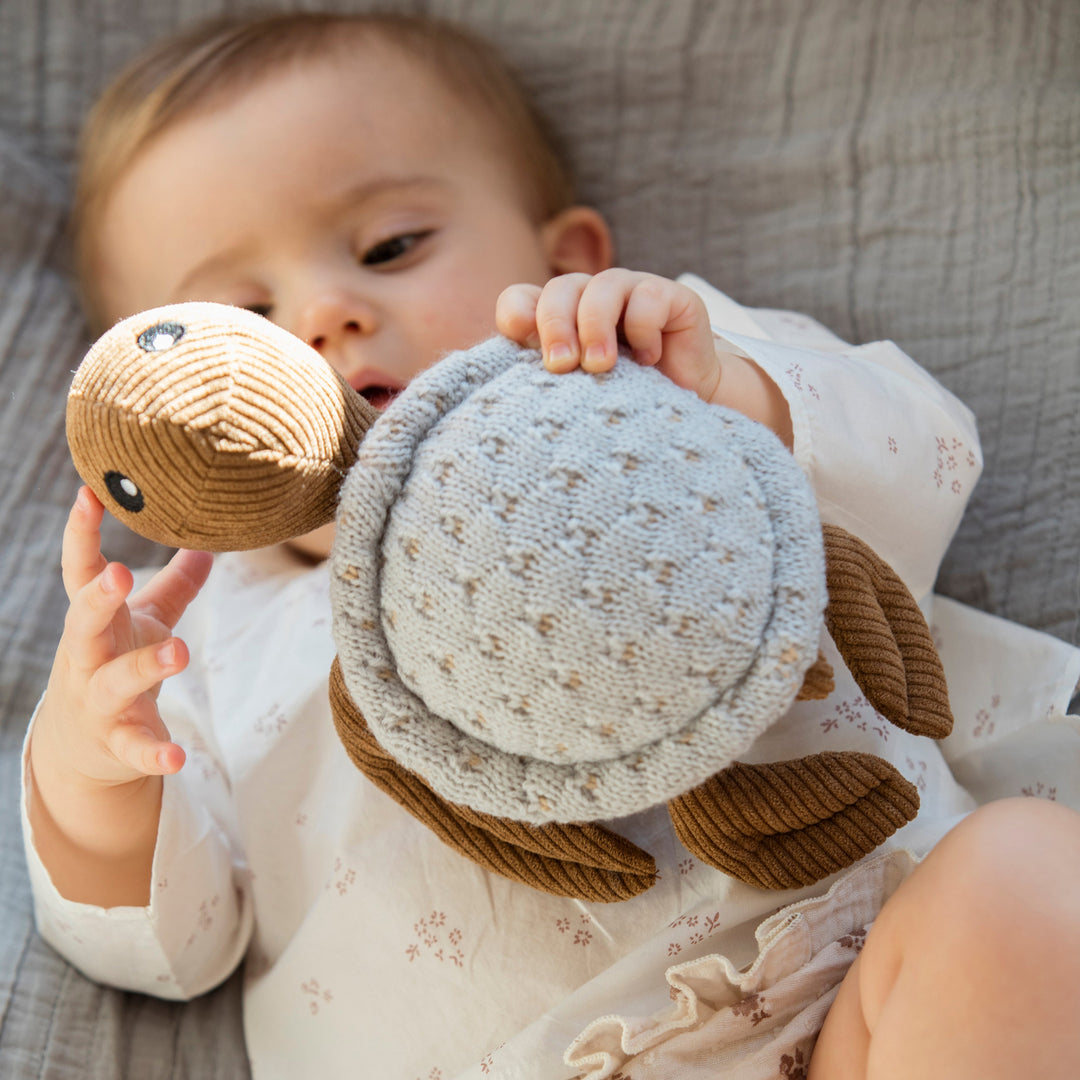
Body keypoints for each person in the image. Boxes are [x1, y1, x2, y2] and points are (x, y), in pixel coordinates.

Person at [21, 11, 1080, 1079]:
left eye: (392, 247)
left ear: (565, 258)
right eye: (244, 318)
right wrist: (94, 765)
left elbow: (927, 462)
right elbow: (171, 945)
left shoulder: (665, 379)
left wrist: (735, 396)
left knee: (1026, 878)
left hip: (860, 990)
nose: (326, 314)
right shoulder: (196, 628)